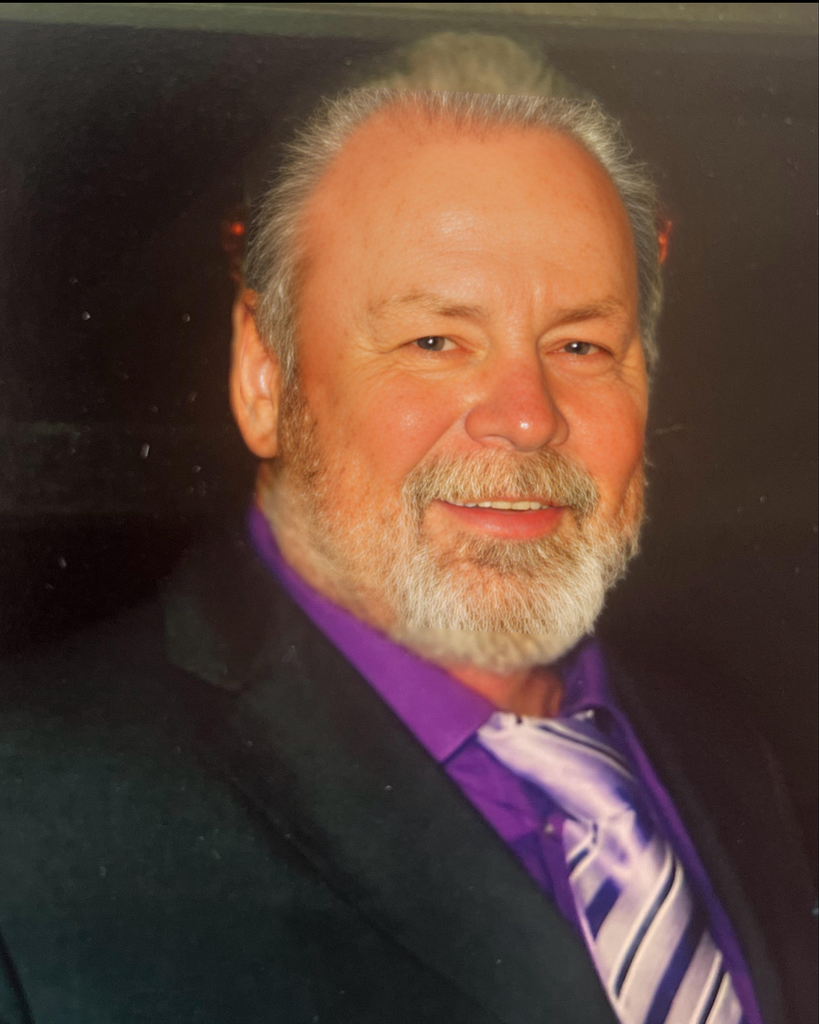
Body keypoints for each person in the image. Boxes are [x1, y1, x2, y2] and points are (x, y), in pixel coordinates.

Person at [0, 34, 815, 1024]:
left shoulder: (728, 757)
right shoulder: (32, 812)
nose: (528, 415)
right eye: (435, 340)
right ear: (264, 378)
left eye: (580, 344)